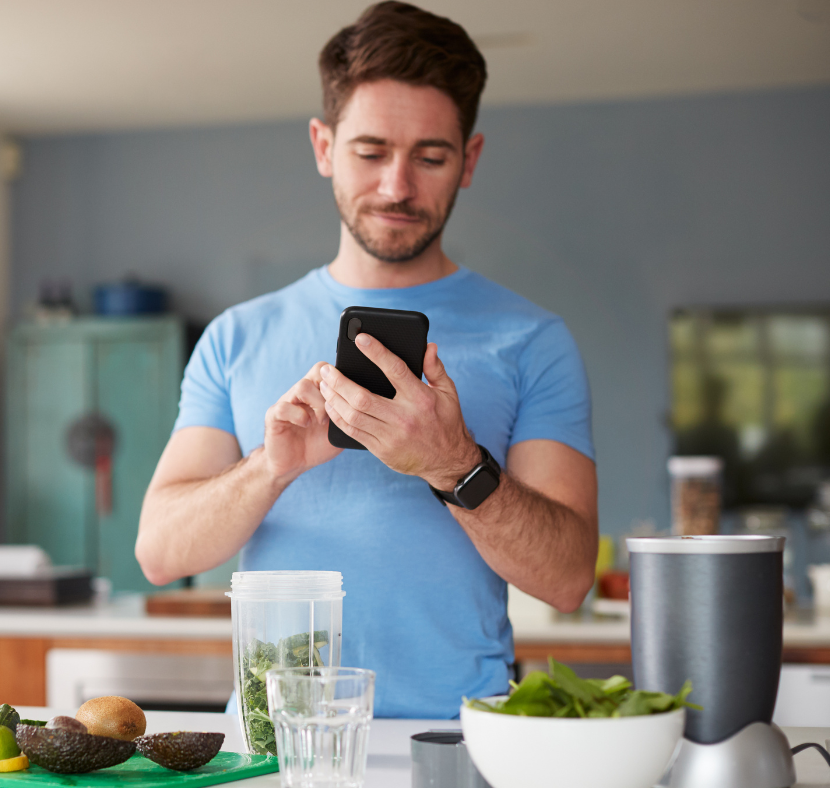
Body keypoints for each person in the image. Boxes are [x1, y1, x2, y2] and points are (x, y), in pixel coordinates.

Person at [135, 1, 598, 718]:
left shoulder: (533, 339)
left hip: (457, 745)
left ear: (469, 160)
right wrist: (271, 466)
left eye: (431, 156)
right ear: (324, 147)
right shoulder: (236, 335)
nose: (396, 187)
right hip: (274, 749)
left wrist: (453, 464)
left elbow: (568, 579)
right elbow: (161, 553)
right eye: (371, 151)